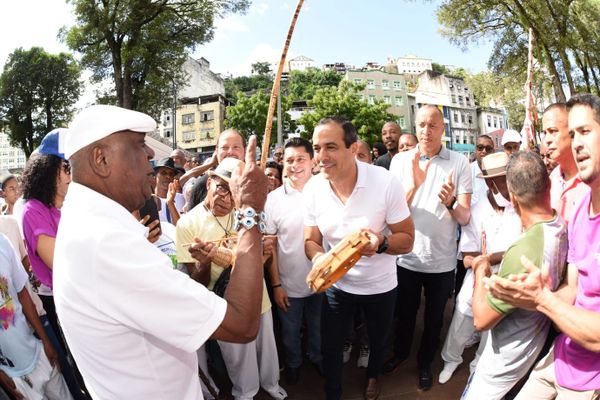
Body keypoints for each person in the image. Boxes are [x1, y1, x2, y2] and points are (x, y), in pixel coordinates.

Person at [53, 104, 268, 399]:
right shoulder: (105, 243)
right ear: (101, 159)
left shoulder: (91, 227)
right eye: (140, 145)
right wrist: (250, 214)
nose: (151, 156)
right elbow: (242, 323)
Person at [485, 93, 600, 400]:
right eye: (572, 134)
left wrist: (542, 300)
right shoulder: (578, 208)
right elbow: (573, 288)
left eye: (585, 132)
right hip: (561, 354)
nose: (576, 143)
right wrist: (528, 298)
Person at [304, 116, 415, 400]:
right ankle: (333, 392)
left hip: (380, 286)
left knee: (378, 342)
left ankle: (373, 377)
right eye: (317, 148)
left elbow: (407, 239)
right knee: (330, 346)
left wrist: (380, 242)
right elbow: (311, 241)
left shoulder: (385, 182)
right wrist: (320, 260)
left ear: (353, 149)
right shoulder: (314, 188)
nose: (321, 157)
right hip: (337, 288)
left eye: (331, 147)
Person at [176, 158, 286, 400]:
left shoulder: (244, 212)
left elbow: (261, 254)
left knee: (267, 348)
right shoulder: (187, 224)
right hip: (225, 301)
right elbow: (197, 283)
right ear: (210, 182)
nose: (227, 198)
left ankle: (271, 385)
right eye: (222, 188)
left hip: (259, 295)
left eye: (234, 190)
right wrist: (205, 262)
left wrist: (264, 251)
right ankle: (244, 393)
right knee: (238, 355)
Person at [461, 151, 567, 400]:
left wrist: (480, 269)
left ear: (511, 196)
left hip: (502, 367)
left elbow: (481, 320)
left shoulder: (523, 253)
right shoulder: (558, 225)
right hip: (531, 354)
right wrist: (493, 258)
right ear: (548, 184)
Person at [386, 104, 472, 391]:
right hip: (406, 258)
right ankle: (400, 354)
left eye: (433, 125)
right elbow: (391, 212)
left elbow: (465, 216)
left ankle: (425, 363)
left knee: (434, 320)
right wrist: (413, 184)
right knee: (405, 314)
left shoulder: (459, 163)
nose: (426, 131)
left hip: (442, 261)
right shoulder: (401, 162)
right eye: (421, 124)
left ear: (443, 129)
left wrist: (450, 203)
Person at [438, 152, 521, 385]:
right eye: (500, 179)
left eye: (508, 178)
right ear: (488, 181)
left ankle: (477, 366)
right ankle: (451, 359)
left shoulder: (521, 206)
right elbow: (467, 257)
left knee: (490, 331)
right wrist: (485, 263)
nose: (506, 185)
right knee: (462, 321)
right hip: (477, 279)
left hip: (506, 282)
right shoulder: (477, 210)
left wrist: (492, 258)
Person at [265, 138, 322, 386]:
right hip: (289, 285)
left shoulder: (326, 190)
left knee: (319, 331)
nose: (295, 165)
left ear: (312, 161)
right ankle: (294, 365)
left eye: (301, 159)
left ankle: (318, 358)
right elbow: (271, 246)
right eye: (289, 160)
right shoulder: (273, 199)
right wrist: (276, 285)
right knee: (289, 334)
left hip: (324, 282)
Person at [0, 234, 73, 400]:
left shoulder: (3, 242)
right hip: (13, 374)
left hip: (37, 352)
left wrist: (46, 341)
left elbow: (23, 295)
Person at [542, 103, 590, 224]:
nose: (547, 140)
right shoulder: (550, 180)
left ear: (572, 132)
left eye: (553, 131)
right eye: (544, 133)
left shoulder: (593, 180)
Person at [188, 129, 246, 210]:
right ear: (217, 151)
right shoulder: (201, 185)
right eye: (225, 147)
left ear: (245, 151)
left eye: (236, 147)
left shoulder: (257, 184)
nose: (230, 152)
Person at [154, 157, 185, 225]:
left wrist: (170, 203)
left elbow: (180, 228)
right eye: (163, 173)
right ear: (155, 176)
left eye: (171, 174)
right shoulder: (148, 199)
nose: (168, 176)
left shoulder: (181, 198)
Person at [471, 135, 495, 206]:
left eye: (488, 148)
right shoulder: (467, 172)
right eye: (480, 147)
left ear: (493, 151)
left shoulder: (500, 172)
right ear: (475, 149)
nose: (484, 151)